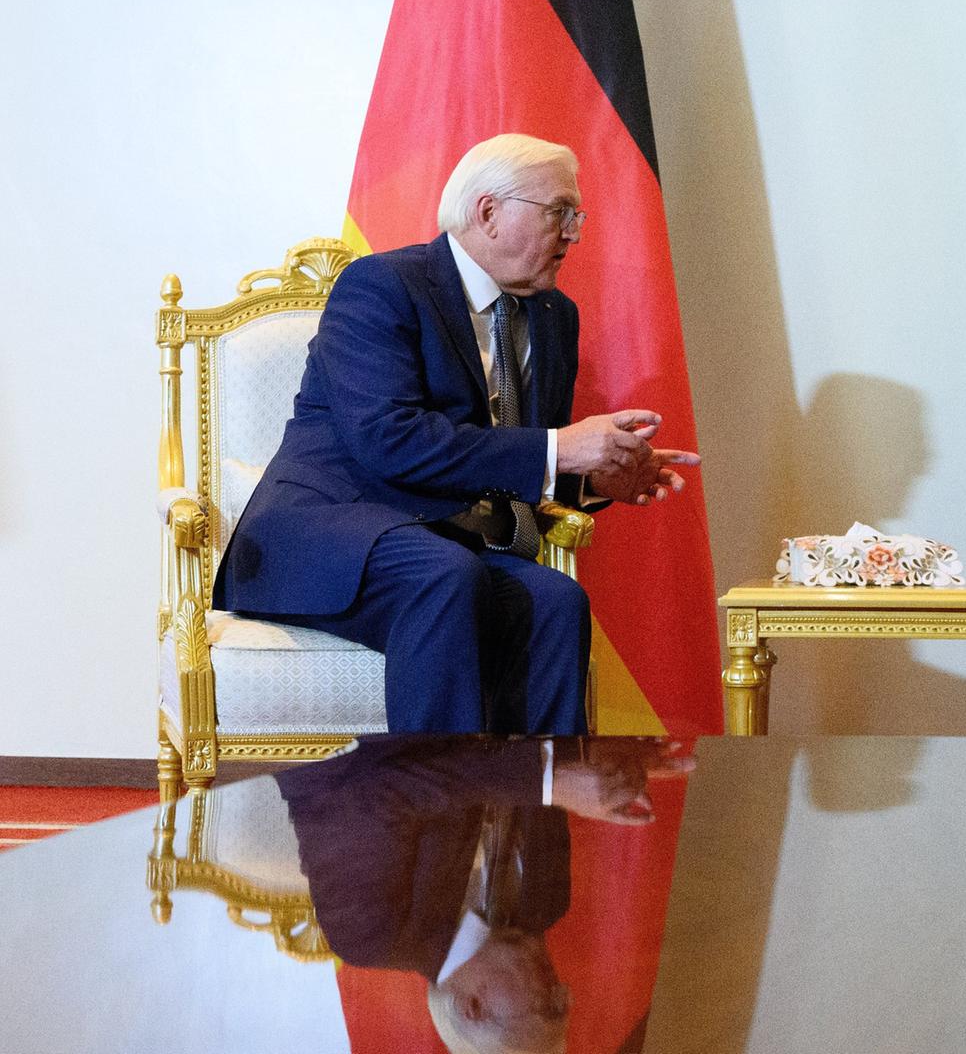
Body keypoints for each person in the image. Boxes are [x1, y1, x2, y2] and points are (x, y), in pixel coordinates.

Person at [213, 133, 698, 735]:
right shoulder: (381, 285)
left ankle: (535, 815)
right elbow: (389, 438)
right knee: (443, 577)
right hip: (328, 533)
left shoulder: (553, 318)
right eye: (559, 213)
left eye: (576, 216)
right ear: (488, 212)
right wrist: (559, 447)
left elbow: (515, 458)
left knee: (556, 601)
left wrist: (593, 476)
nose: (574, 232)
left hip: (442, 542)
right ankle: (437, 815)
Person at [275, 734, 693, 1054]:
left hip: (364, 720)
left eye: (545, 1007)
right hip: (485, 686)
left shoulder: (372, 937)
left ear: (473, 1006)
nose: (558, 986)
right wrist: (596, 759)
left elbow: (378, 790)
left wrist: (548, 781)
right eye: (562, 1003)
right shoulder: (545, 902)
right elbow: (528, 754)